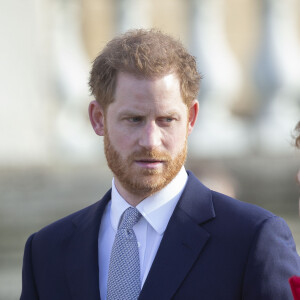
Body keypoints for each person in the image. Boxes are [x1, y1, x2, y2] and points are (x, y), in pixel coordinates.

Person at [20, 29, 300, 300]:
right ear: (97, 118)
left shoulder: (253, 239)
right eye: (134, 120)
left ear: (191, 118)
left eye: (166, 120)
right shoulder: (46, 252)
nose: (151, 141)